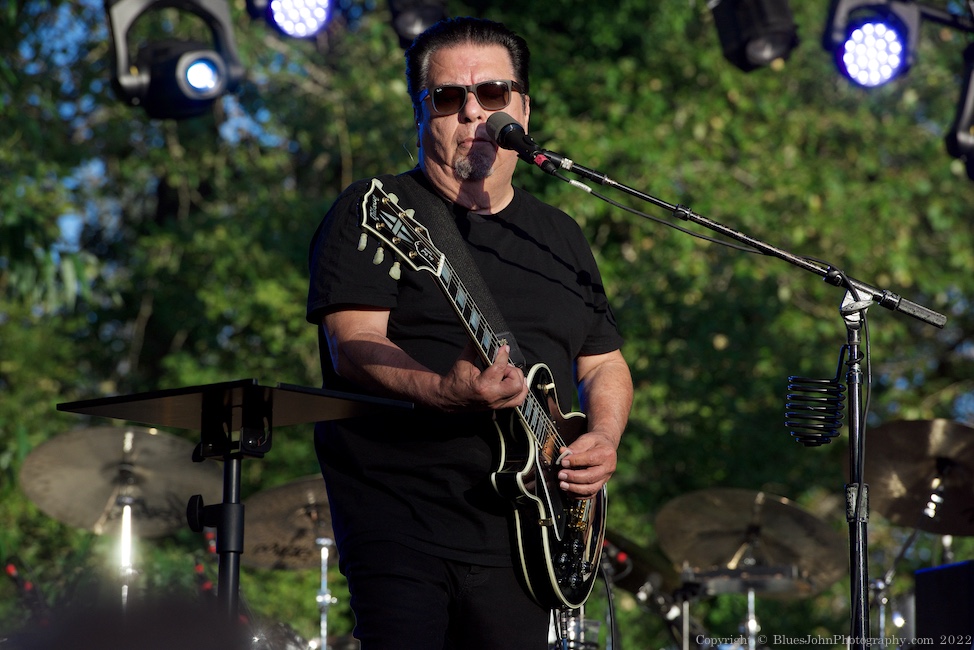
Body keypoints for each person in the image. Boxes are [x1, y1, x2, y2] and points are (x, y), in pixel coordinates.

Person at [306, 16, 633, 650]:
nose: (473, 113)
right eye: (450, 98)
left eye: (493, 95)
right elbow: (352, 344)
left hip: (527, 532)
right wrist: (441, 389)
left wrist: (602, 437)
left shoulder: (560, 235)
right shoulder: (380, 212)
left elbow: (603, 364)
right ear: (424, 113)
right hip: (402, 516)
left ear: (524, 109)